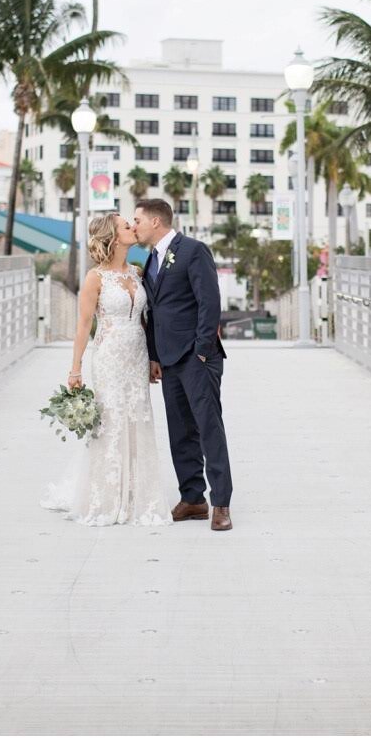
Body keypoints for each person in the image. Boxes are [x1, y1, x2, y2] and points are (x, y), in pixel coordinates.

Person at [40, 213, 173, 527]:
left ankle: (137, 494)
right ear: (112, 236)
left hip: (137, 355)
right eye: (126, 225)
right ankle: (105, 497)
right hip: (109, 356)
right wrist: (75, 370)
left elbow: (145, 320)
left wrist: (154, 357)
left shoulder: (138, 273)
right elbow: (85, 325)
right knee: (111, 422)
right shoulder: (95, 278)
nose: (132, 227)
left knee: (138, 418)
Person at [132, 197, 233, 532]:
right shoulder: (149, 261)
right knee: (180, 431)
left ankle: (221, 503)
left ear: (156, 222)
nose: (135, 226)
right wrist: (154, 355)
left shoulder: (192, 250)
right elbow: (153, 313)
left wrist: (203, 351)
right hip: (168, 360)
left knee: (208, 427)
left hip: (196, 357)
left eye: (138, 220)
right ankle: (193, 498)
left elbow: (209, 301)